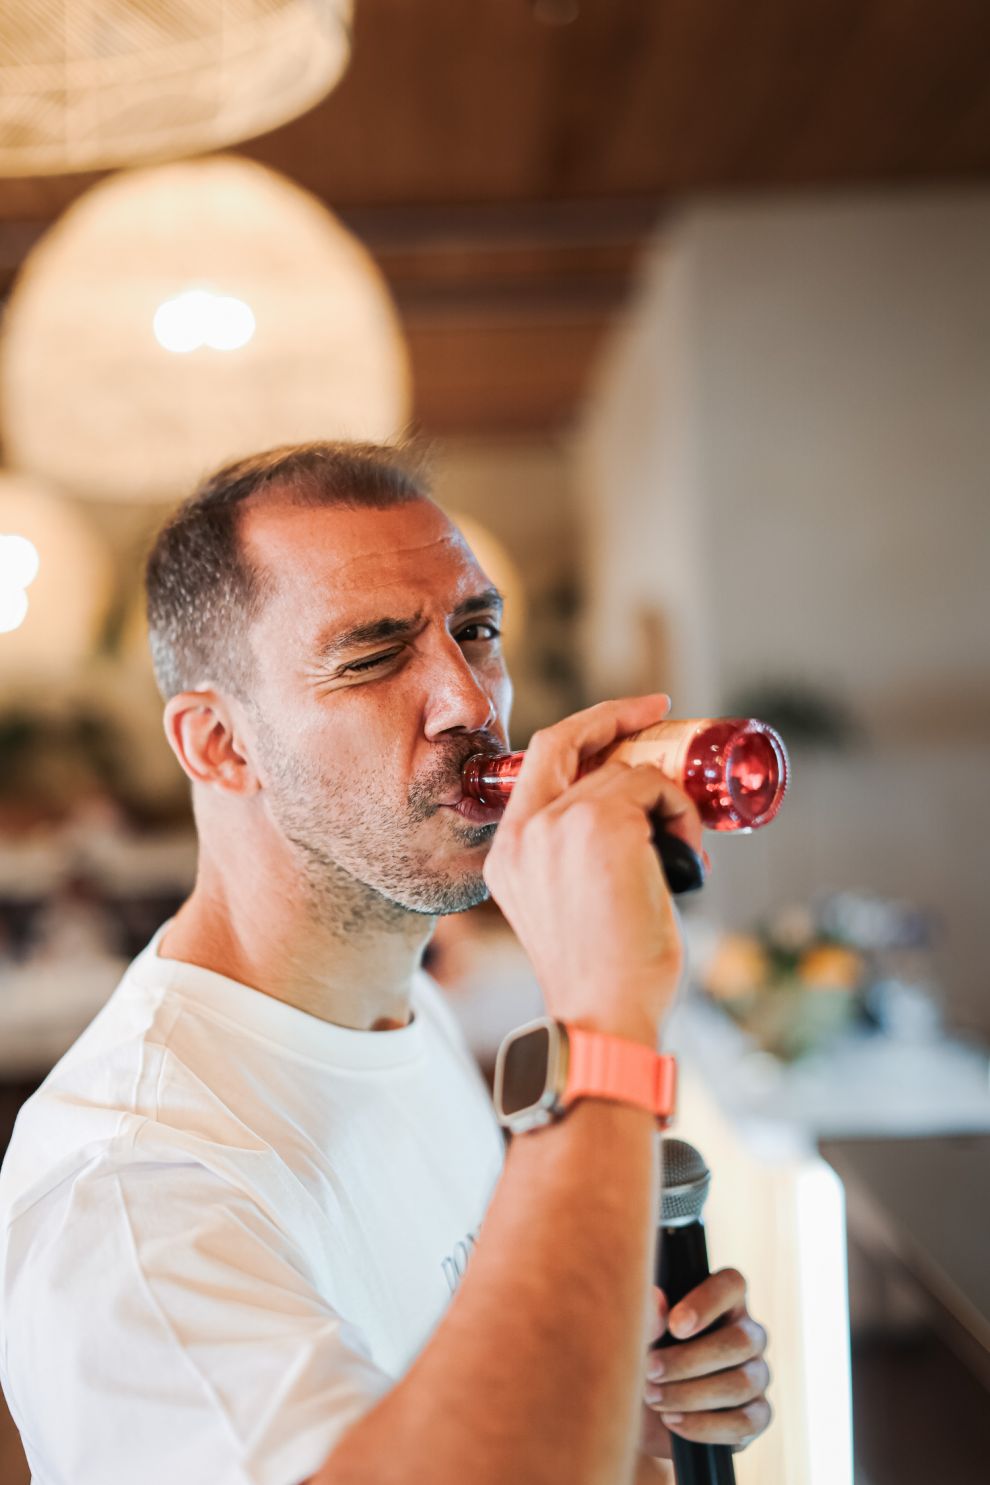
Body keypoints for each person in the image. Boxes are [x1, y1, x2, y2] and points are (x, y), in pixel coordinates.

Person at [0, 442, 771, 1485]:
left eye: (476, 631)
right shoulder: (133, 1194)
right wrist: (603, 1020)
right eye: (371, 657)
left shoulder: (407, 1012)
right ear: (220, 744)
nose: (469, 702)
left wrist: (604, 1396)